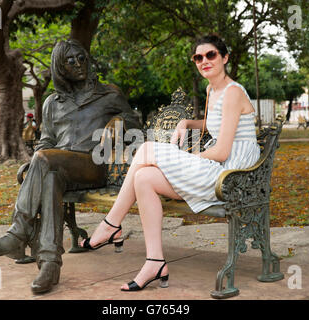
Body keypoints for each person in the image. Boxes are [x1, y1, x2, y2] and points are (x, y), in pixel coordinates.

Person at [80, 34, 261, 291]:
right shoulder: (212, 89)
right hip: (215, 168)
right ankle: (155, 262)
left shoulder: (233, 92)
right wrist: (186, 122)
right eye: (198, 57)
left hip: (230, 176)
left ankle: (110, 226)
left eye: (211, 55)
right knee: (143, 178)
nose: (204, 61)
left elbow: (221, 152)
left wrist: (187, 158)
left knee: (145, 150)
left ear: (225, 58)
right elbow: (211, 126)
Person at [0, 39, 140, 294]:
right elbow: (47, 141)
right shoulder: (52, 102)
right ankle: (49, 263)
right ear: (60, 67)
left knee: (43, 161)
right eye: (70, 60)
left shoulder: (109, 94)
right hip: (59, 169)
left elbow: (137, 127)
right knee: (49, 175)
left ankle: (19, 232)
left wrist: (119, 120)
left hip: (94, 166)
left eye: (81, 57)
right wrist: (38, 164)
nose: (78, 63)